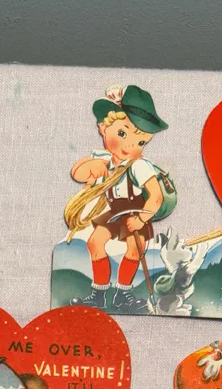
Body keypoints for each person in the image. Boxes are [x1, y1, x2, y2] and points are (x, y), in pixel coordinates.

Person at [66, 85, 169, 315]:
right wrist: (89, 167)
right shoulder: (104, 159)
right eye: (123, 134)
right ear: (103, 128)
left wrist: (142, 219)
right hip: (114, 211)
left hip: (135, 211)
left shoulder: (139, 165)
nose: (131, 146)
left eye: (141, 142)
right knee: (95, 242)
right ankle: (99, 295)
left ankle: (123, 295)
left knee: (135, 249)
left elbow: (156, 196)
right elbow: (78, 173)